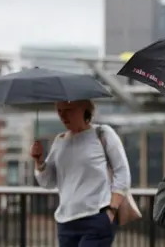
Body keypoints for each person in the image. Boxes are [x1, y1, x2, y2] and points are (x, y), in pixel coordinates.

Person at [30, 100, 131, 247]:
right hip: (66, 222)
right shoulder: (59, 141)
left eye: (68, 110)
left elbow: (122, 173)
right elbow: (48, 182)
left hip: (96, 218)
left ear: (84, 108)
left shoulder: (102, 133)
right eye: (59, 111)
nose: (63, 116)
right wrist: (39, 162)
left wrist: (112, 210)